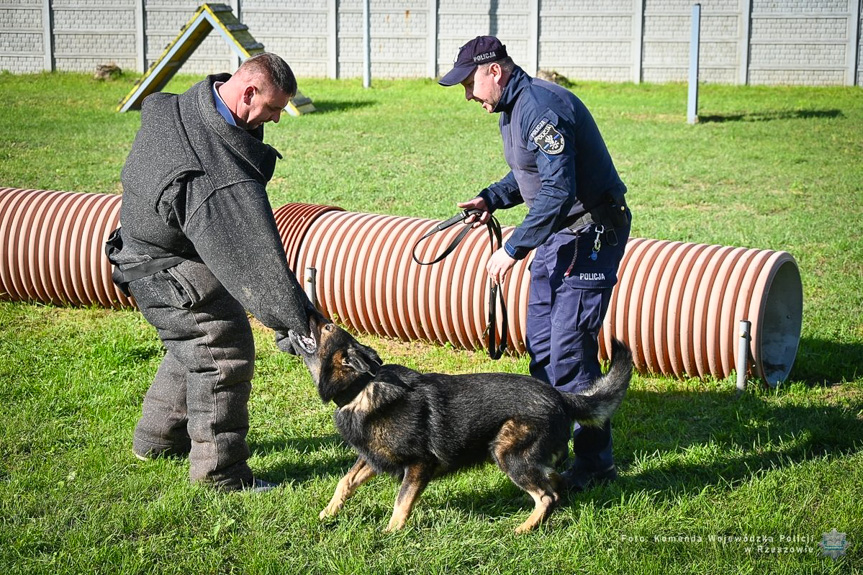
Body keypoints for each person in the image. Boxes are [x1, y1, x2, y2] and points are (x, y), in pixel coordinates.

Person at [106, 52, 321, 492]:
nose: (277, 120)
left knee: (195, 340)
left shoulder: (185, 105)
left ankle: (156, 440)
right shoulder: (215, 170)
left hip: (143, 249)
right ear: (247, 93)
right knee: (221, 351)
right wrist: (300, 327)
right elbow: (255, 262)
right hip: (162, 269)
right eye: (274, 108)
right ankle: (220, 476)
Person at [439, 36, 632, 491]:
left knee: (568, 353)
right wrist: (492, 197)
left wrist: (511, 249)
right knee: (542, 346)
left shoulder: (542, 109)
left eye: (469, 84)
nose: (468, 95)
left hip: (590, 233)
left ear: (494, 71)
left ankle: (595, 466)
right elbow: (530, 174)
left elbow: (558, 191)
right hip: (556, 234)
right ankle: (548, 446)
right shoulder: (512, 108)